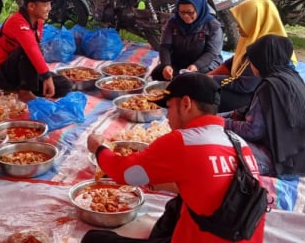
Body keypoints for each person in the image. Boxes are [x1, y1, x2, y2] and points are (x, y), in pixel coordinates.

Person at [82, 73, 265, 243]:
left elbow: (127, 174)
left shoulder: (184, 140)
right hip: (237, 233)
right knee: (177, 205)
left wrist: (99, 149)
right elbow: (212, 185)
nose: (167, 117)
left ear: (186, 104)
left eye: (169, 107)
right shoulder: (240, 143)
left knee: (93, 239)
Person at [225, 34, 305, 178]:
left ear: (261, 61)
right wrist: (223, 118)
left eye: (252, 61)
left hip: (284, 163)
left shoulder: (269, 87)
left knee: (219, 144)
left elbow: (253, 131)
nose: (250, 65)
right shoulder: (290, 75)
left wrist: (222, 124)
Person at [209, 0, 295, 113]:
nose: (237, 26)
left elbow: (245, 85)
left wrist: (212, 79)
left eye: (241, 22)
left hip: (257, 98)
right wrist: (207, 76)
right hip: (248, 89)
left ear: (254, 22)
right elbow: (235, 61)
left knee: (206, 96)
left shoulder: (265, 48)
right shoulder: (252, 37)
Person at [0, 0, 73, 102]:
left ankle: (21, 88)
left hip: (21, 74)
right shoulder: (17, 22)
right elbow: (32, 49)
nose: (50, 8)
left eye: (49, 4)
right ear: (31, 6)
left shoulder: (38, 22)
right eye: (45, 5)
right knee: (30, 51)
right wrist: (46, 77)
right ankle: (25, 92)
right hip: (3, 76)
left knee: (65, 85)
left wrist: (45, 77)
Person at [151, 0, 223, 81]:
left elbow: (211, 53)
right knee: (158, 74)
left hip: (204, 64)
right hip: (180, 61)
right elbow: (165, 46)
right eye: (182, 12)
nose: (185, 16)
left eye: (190, 12)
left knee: (196, 81)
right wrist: (167, 65)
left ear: (199, 8)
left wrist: (196, 66)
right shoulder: (173, 22)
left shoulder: (213, 26)